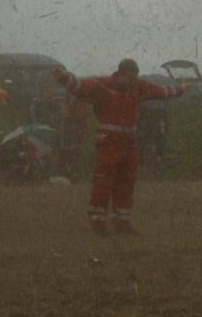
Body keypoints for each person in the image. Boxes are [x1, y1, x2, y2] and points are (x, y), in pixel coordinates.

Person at [54, 60, 186, 235]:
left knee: (126, 182)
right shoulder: (102, 85)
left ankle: (121, 221)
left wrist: (181, 89)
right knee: (104, 181)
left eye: (134, 77)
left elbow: (162, 92)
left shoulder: (138, 86)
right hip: (108, 141)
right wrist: (62, 76)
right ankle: (98, 222)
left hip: (128, 141)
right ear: (121, 74)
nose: (132, 81)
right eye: (130, 77)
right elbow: (78, 86)